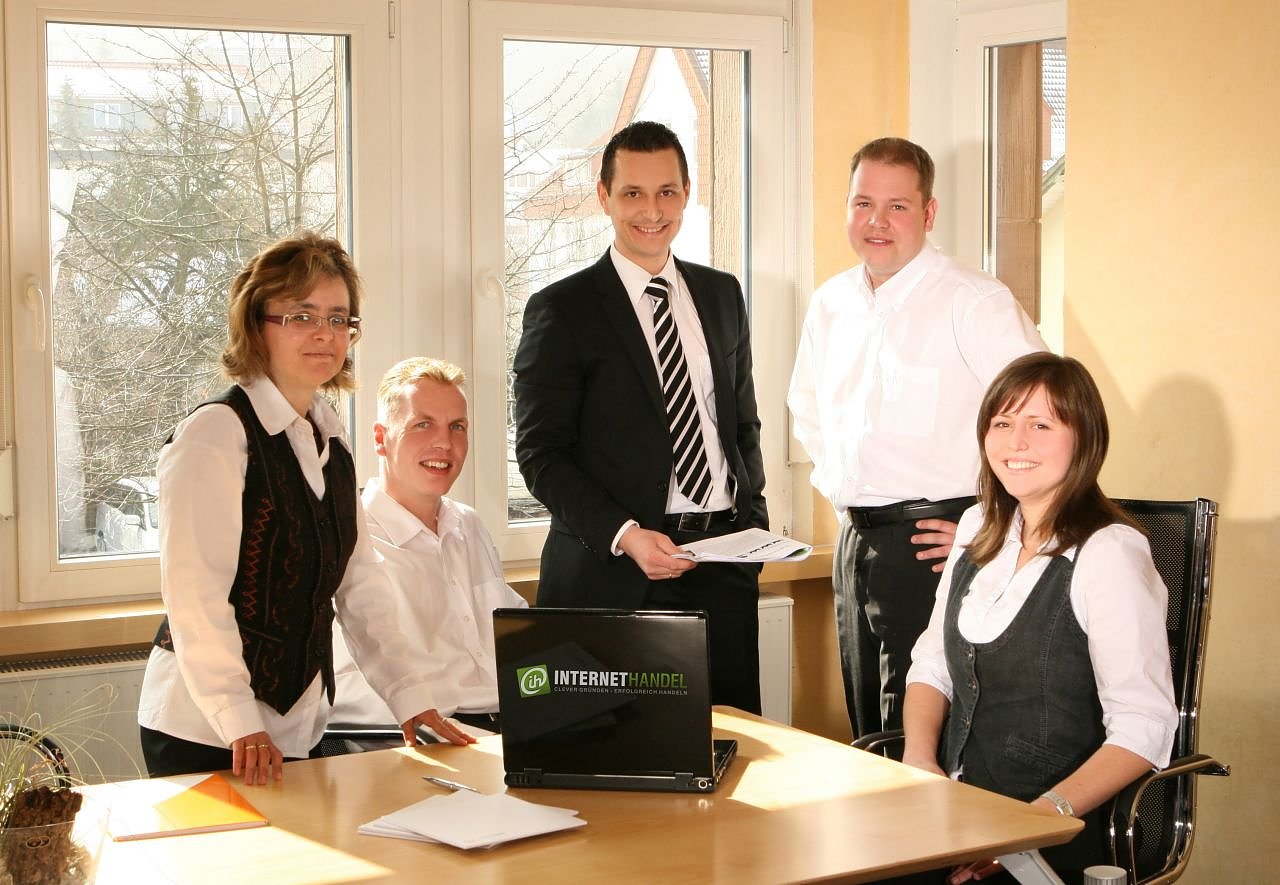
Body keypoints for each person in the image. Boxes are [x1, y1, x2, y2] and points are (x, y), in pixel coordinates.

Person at [138, 234, 474, 784]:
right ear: (256, 325)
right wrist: (238, 719)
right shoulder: (215, 433)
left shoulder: (332, 443)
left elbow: (360, 586)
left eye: (339, 318)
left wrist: (409, 696)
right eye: (302, 316)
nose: (325, 333)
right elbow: (195, 597)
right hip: (205, 729)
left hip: (298, 725)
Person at [786, 136, 1045, 738]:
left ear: (928, 214)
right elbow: (809, 411)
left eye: (897, 206)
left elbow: (1046, 422)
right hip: (856, 544)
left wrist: (995, 530)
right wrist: (848, 503)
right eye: (863, 203)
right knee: (868, 732)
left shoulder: (973, 301)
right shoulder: (830, 304)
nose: (877, 222)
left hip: (937, 547)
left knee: (928, 737)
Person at [513, 120, 769, 713]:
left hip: (723, 567)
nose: (652, 211)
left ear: (687, 194)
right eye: (633, 193)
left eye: (667, 192)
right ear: (604, 196)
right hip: (615, 574)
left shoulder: (722, 294)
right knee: (617, 750)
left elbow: (741, 427)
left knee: (737, 745)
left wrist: (751, 526)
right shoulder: (562, 309)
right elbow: (541, 456)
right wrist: (626, 535)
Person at [901, 352, 1178, 882]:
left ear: (1084, 440)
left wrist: (1031, 825)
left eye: (1041, 425)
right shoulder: (977, 526)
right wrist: (919, 759)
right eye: (1002, 423)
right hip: (957, 816)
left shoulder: (1109, 553)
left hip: (1056, 831)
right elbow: (932, 664)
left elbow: (1144, 726)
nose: (1016, 442)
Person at [330, 357, 527, 734]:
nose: (444, 443)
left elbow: (518, 636)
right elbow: (345, 689)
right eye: (422, 425)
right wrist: (439, 729)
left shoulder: (468, 524)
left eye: (457, 427)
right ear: (380, 439)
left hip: (510, 723)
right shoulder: (349, 538)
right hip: (426, 736)